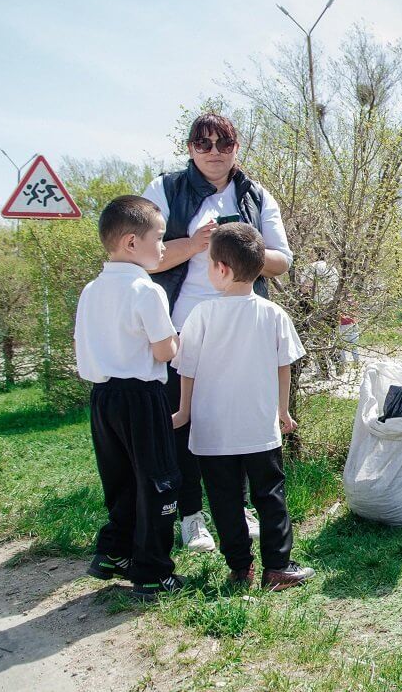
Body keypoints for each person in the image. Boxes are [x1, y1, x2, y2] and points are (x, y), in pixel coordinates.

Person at [143, 112, 293, 552]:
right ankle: (192, 516)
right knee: (184, 423)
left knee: (237, 423)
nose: (213, 152)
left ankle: (239, 508)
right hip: (179, 328)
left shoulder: (255, 194)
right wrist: (198, 243)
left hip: (241, 329)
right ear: (190, 148)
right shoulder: (165, 189)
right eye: (203, 143)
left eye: (223, 144)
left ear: (236, 148)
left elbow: (282, 260)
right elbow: (144, 257)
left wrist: (240, 245)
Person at [171, 223, 314, 591]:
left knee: (224, 500)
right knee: (270, 496)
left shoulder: (201, 314)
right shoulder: (273, 314)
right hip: (259, 428)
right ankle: (277, 567)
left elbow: (187, 369)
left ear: (221, 269)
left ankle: (239, 568)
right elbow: (285, 368)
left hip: (212, 430)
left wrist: (184, 411)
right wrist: (283, 412)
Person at [74, 195, 184, 600]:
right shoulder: (146, 290)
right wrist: (176, 339)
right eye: (160, 237)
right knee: (159, 482)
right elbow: (163, 351)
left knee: (119, 479)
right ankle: (153, 571)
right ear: (132, 243)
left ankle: (113, 552)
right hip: (140, 396)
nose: (163, 246)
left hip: (102, 398)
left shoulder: (91, 289)